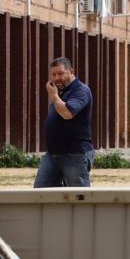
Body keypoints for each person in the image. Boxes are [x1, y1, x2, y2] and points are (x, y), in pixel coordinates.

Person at [35, 57, 94, 188]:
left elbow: (67, 113)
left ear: (71, 71)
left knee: (78, 196)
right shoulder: (61, 93)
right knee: (41, 193)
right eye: (53, 74)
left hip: (75, 154)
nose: (56, 78)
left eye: (61, 73)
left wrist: (54, 96)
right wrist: (56, 96)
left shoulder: (80, 90)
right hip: (53, 154)